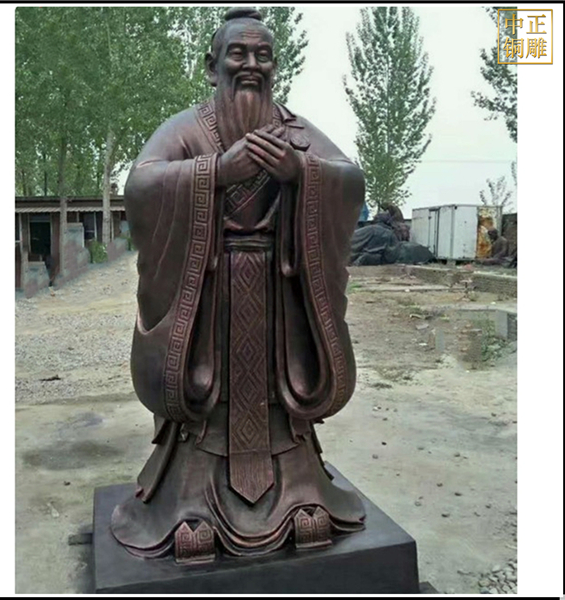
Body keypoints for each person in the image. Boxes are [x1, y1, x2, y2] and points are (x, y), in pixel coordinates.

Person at [111, 7, 365, 562]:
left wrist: (303, 174)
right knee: (209, 398)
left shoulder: (295, 131)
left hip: (278, 296)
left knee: (279, 400)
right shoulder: (187, 129)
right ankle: (190, 501)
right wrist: (215, 173)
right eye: (238, 53)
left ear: (275, 66)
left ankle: (299, 493)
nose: (252, 64)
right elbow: (141, 186)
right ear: (212, 66)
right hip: (208, 296)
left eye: (263, 55)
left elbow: (349, 178)